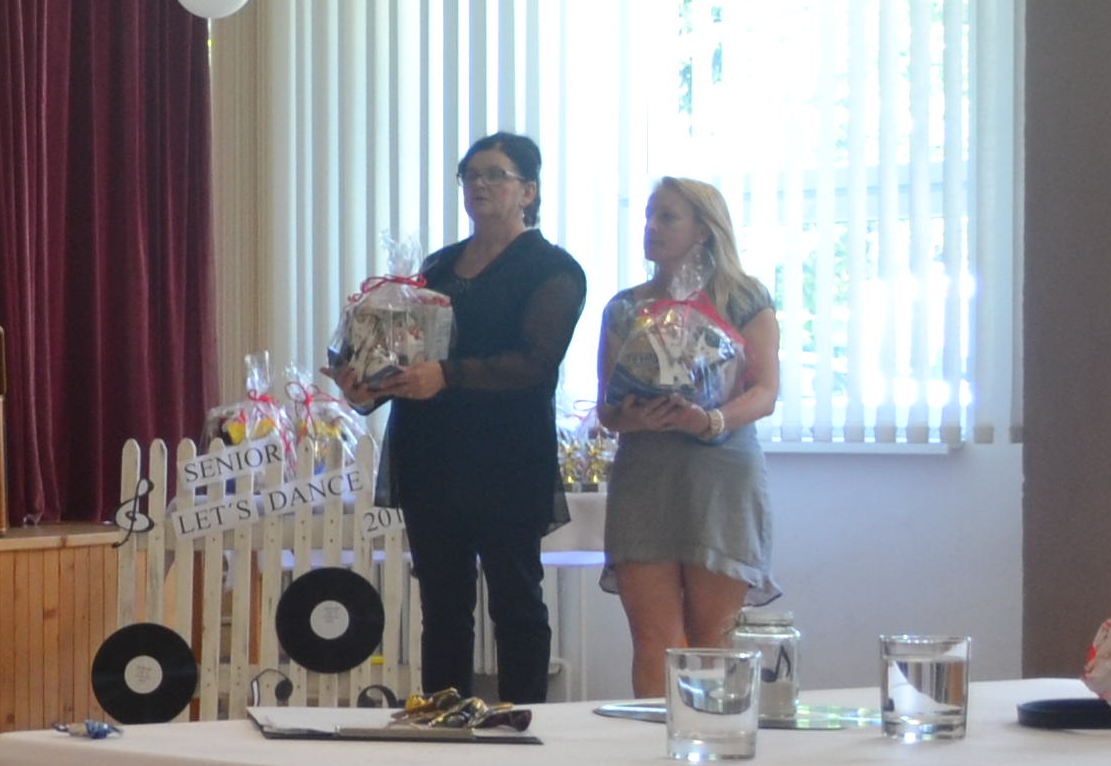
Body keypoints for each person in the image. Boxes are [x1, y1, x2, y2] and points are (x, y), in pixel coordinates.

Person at [332, 131, 587, 701]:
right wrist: (365, 385)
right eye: (470, 175)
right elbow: (406, 356)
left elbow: (535, 362)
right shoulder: (438, 266)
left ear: (529, 191)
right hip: (431, 456)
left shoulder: (553, 269)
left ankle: (523, 722)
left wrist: (447, 376)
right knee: (442, 608)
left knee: (516, 603)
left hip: (507, 458)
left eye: (495, 174)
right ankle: (442, 721)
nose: (479, 185)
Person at [595, 175, 787, 693]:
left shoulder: (744, 298)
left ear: (704, 229)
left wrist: (710, 421)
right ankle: (653, 741)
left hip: (722, 473)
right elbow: (607, 409)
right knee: (654, 639)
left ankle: (715, 735)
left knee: (713, 639)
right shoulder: (625, 308)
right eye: (648, 216)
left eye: (667, 217)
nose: (651, 227)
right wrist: (637, 417)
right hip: (646, 475)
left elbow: (766, 391)